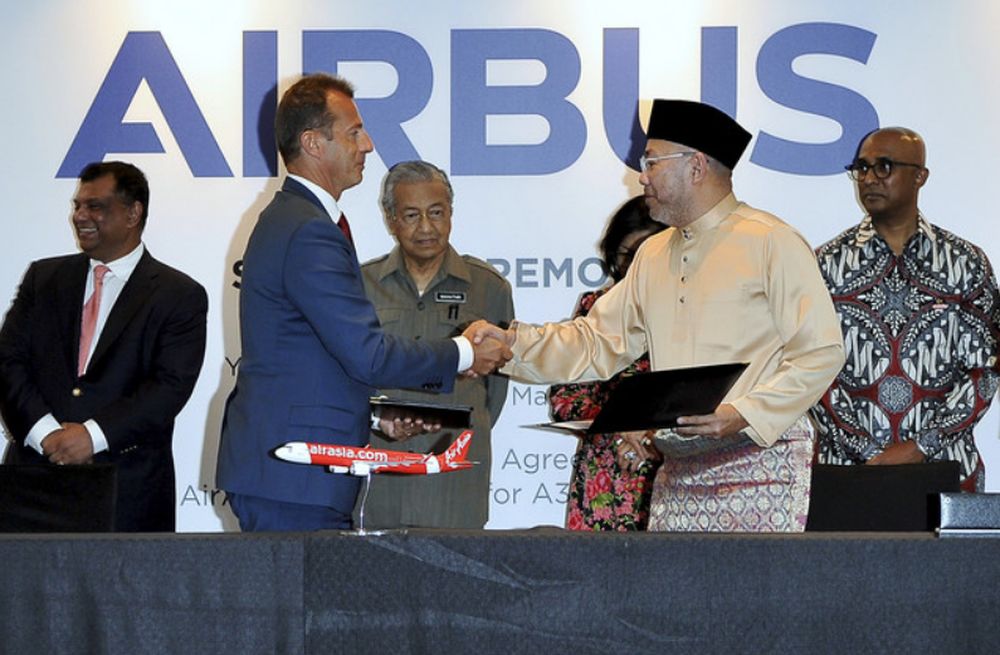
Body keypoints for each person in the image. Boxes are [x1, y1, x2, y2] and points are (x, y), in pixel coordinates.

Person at [472, 99, 845, 532]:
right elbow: (596, 341)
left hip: (759, 462)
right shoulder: (652, 254)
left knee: (748, 598)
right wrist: (513, 345)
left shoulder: (771, 242)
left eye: (651, 162)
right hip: (680, 465)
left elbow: (820, 352)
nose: (641, 176)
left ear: (696, 167)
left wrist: (744, 412)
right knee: (675, 596)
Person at [216, 73, 510, 532]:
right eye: (354, 132)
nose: (368, 144)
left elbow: (318, 360)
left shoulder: (299, 220)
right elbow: (368, 354)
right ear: (313, 143)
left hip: (295, 476)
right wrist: (465, 352)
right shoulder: (308, 230)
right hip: (295, 480)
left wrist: (374, 418)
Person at [0, 161, 208, 532]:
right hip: (31, 484)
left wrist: (91, 436)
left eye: (95, 206)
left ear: (133, 213)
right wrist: (46, 433)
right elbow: (8, 362)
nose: (80, 216)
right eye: (77, 205)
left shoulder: (179, 295)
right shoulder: (42, 279)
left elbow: (168, 387)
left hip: (128, 492)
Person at [811, 127, 1000, 492]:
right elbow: (810, 368)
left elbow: (986, 370)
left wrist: (921, 446)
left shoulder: (966, 263)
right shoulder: (825, 264)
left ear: (920, 176)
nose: (868, 179)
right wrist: (867, 450)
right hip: (848, 473)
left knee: (950, 553)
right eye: (861, 168)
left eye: (884, 167)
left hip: (946, 470)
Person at [356, 160, 514, 529]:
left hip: (454, 475)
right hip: (381, 470)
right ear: (391, 219)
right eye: (411, 215)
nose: (426, 227)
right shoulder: (361, 285)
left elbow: (495, 390)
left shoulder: (488, 288)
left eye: (437, 213)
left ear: (451, 215)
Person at [547, 195, 665, 531]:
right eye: (628, 256)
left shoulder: (698, 310)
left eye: (649, 253)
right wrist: (621, 424)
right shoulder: (596, 308)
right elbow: (565, 400)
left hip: (673, 466)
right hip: (606, 471)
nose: (638, 267)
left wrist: (652, 432)